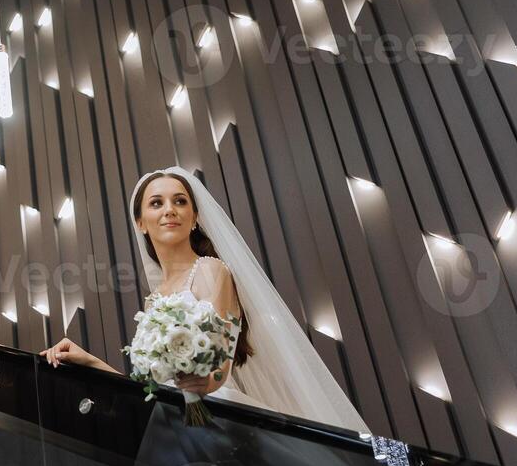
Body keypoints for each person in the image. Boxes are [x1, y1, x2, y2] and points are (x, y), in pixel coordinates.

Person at [41, 167, 367, 433]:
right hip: (175, 424)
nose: (169, 209)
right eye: (156, 203)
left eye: (180, 201)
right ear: (140, 223)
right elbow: (154, 389)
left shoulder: (212, 271)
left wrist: (203, 383)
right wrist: (91, 362)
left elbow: (218, 370)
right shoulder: (153, 301)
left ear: (194, 216)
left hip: (218, 420)